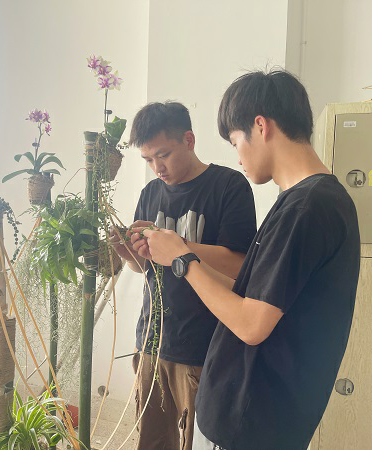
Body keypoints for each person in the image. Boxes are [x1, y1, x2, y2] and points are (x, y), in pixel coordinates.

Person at [136, 71, 360, 450]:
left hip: (254, 421)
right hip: (256, 416)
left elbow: (252, 325)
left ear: (260, 126)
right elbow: (251, 296)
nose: (237, 156)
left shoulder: (306, 207)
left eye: (235, 141)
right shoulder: (302, 201)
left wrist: (183, 259)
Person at [111, 101, 257, 450]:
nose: (156, 167)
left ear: (189, 140)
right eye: (148, 159)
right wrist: (128, 253)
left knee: (197, 441)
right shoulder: (150, 193)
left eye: (163, 155)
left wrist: (178, 246)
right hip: (152, 342)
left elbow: (239, 266)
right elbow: (145, 267)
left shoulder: (228, 186)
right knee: (153, 441)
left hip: (203, 347)